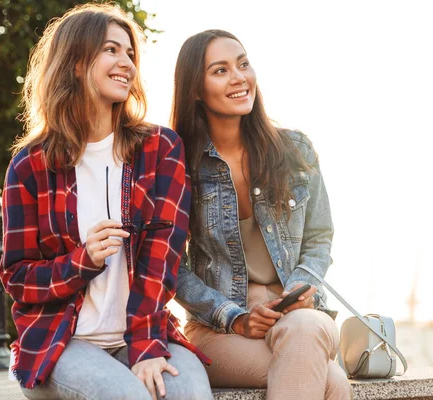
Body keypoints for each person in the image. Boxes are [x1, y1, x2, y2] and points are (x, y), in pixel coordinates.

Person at [0, 4, 213, 400]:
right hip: (62, 342)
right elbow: (17, 278)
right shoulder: (30, 166)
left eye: (130, 53)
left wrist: (146, 345)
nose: (126, 63)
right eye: (111, 50)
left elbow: (162, 258)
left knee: (190, 396)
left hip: (145, 332)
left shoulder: (160, 149)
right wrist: (83, 261)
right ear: (76, 63)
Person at [172, 30, 353, 400]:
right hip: (218, 329)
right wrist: (232, 316)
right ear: (195, 89)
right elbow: (170, 265)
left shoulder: (294, 149)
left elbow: (319, 236)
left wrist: (299, 287)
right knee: (331, 382)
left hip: (298, 314)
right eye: (220, 70)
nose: (239, 77)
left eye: (243, 64)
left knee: (305, 326)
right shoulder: (178, 164)